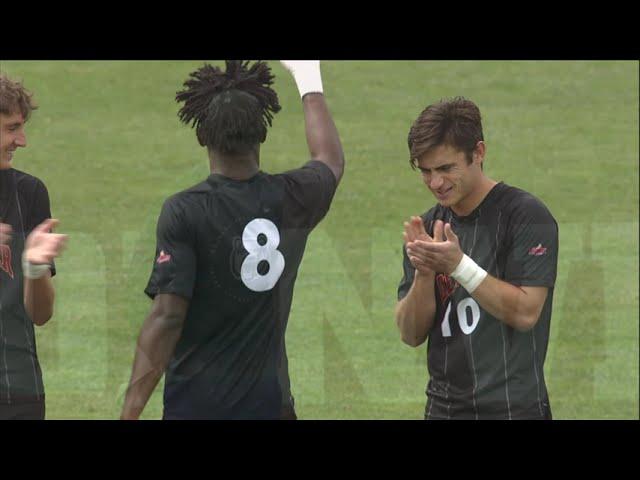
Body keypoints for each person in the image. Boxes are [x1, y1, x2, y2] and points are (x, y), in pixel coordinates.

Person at [120, 60, 344, 420]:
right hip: (273, 405)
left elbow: (168, 316)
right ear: (262, 133)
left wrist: (129, 412)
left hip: (197, 407)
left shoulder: (185, 211)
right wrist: (307, 77)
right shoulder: (292, 197)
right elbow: (330, 161)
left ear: (201, 135)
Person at [395, 97, 558, 420]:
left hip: (514, 410)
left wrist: (458, 266)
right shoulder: (427, 229)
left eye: (445, 168)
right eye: (425, 171)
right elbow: (410, 334)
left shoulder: (527, 217)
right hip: (443, 410)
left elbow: (526, 313)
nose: (435, 183)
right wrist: (425, 274)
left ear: (478, 153)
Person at [0, 72, 68, 420]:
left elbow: (40, 315)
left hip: (18, 393)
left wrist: (35, 269)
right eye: (12, 128)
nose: (22, 140)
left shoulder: (30, 194)